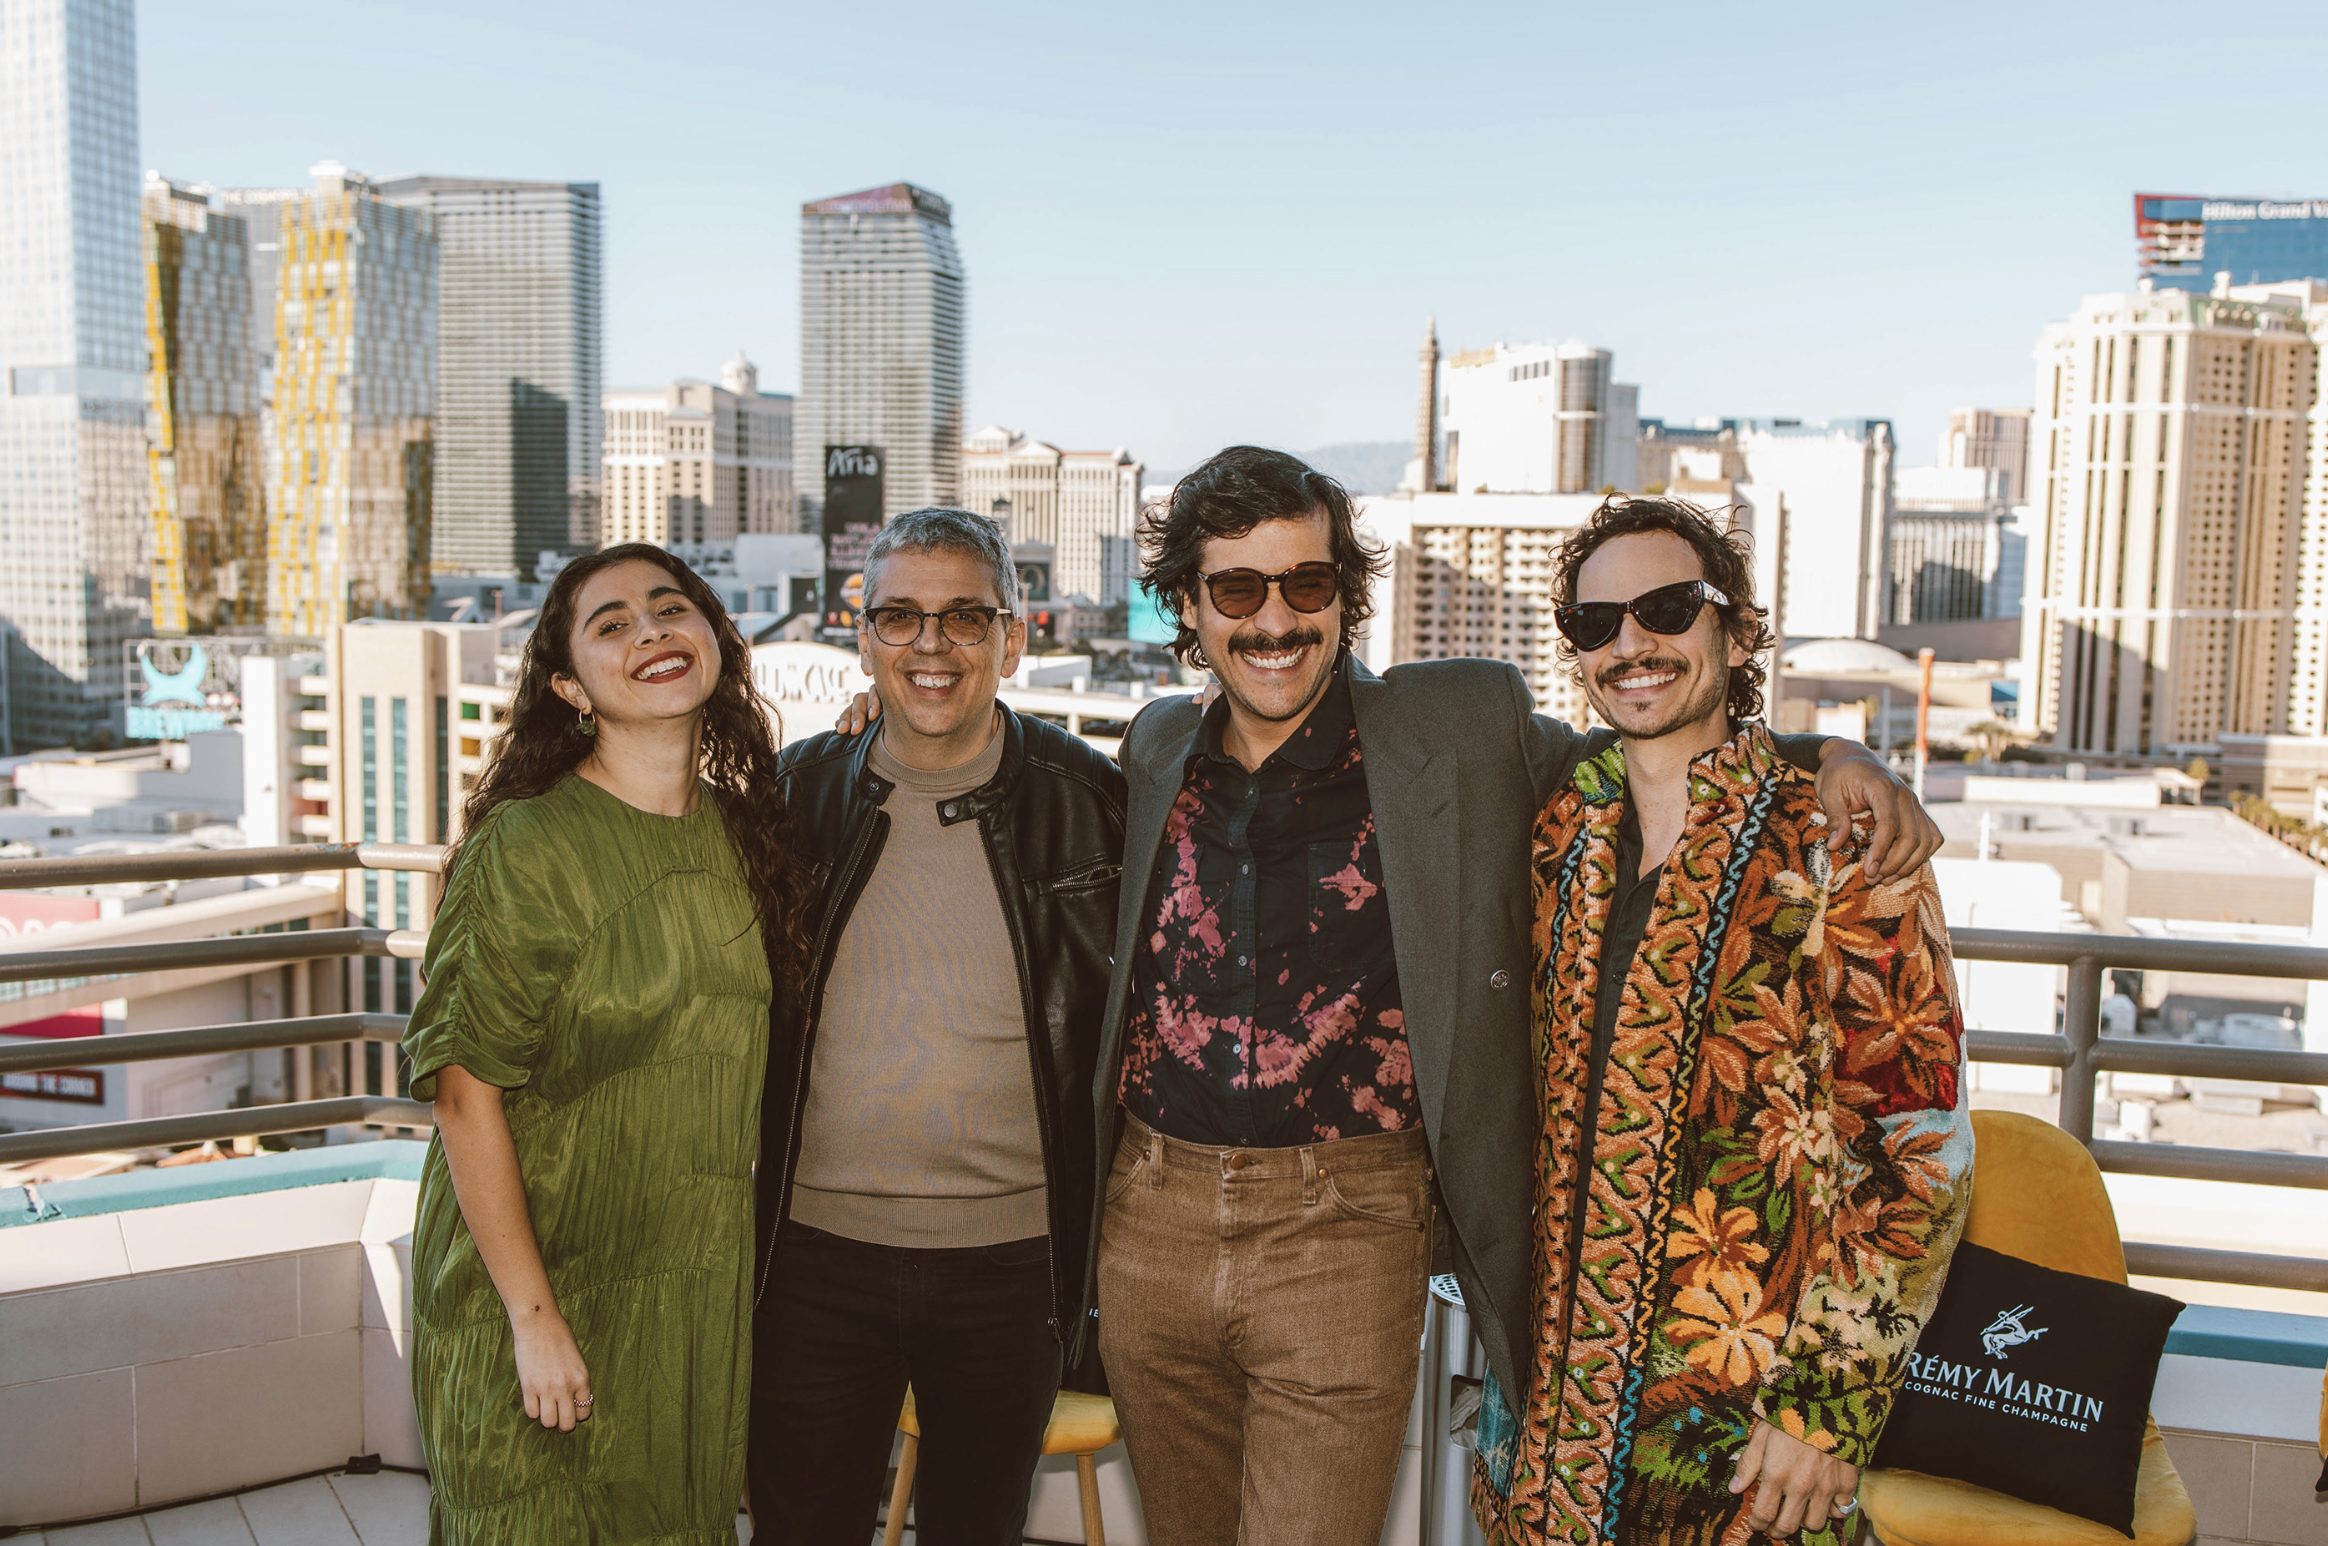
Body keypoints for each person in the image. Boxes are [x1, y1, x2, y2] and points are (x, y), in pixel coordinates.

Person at [1084, 447, 1944, 1546]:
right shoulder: (1157, 745)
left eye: (1306, 586)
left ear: (1346, 596)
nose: (1274, 621)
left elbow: (1661, 735)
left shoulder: (1458, 732)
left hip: (1348, 1232)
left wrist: (1837, 750)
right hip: (1155, 1218)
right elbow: (1643, 745)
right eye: (1237, 590)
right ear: (1188, 607)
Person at [1471, 496, 1974, 1545]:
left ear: (1737, 631)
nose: (1632, 644)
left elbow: (1919, 1150)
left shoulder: (1842, 846)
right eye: (1597, 624)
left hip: (1751, 1440)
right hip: (1549, 1440)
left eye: (1666, 608)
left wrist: (1827, 1411)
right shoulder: (1560, 829)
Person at [404, 544, 811, 1544]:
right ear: (567, 684)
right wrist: (533, 1321)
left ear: (717, 637)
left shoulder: (744, 835)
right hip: (539, 1295)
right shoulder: (529, 843)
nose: (651, 633)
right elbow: (464, 1095)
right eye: (612, 624)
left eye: (672, 609)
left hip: (685, 1299)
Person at [747, 508, 1126, 1545]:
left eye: (965, 615)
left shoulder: (1093, 803)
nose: (930, 644)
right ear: (860, 635)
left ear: (1014, 637)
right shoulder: (793, 797)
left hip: (1013, 1269)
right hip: (813, 1261)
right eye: (900, 616)